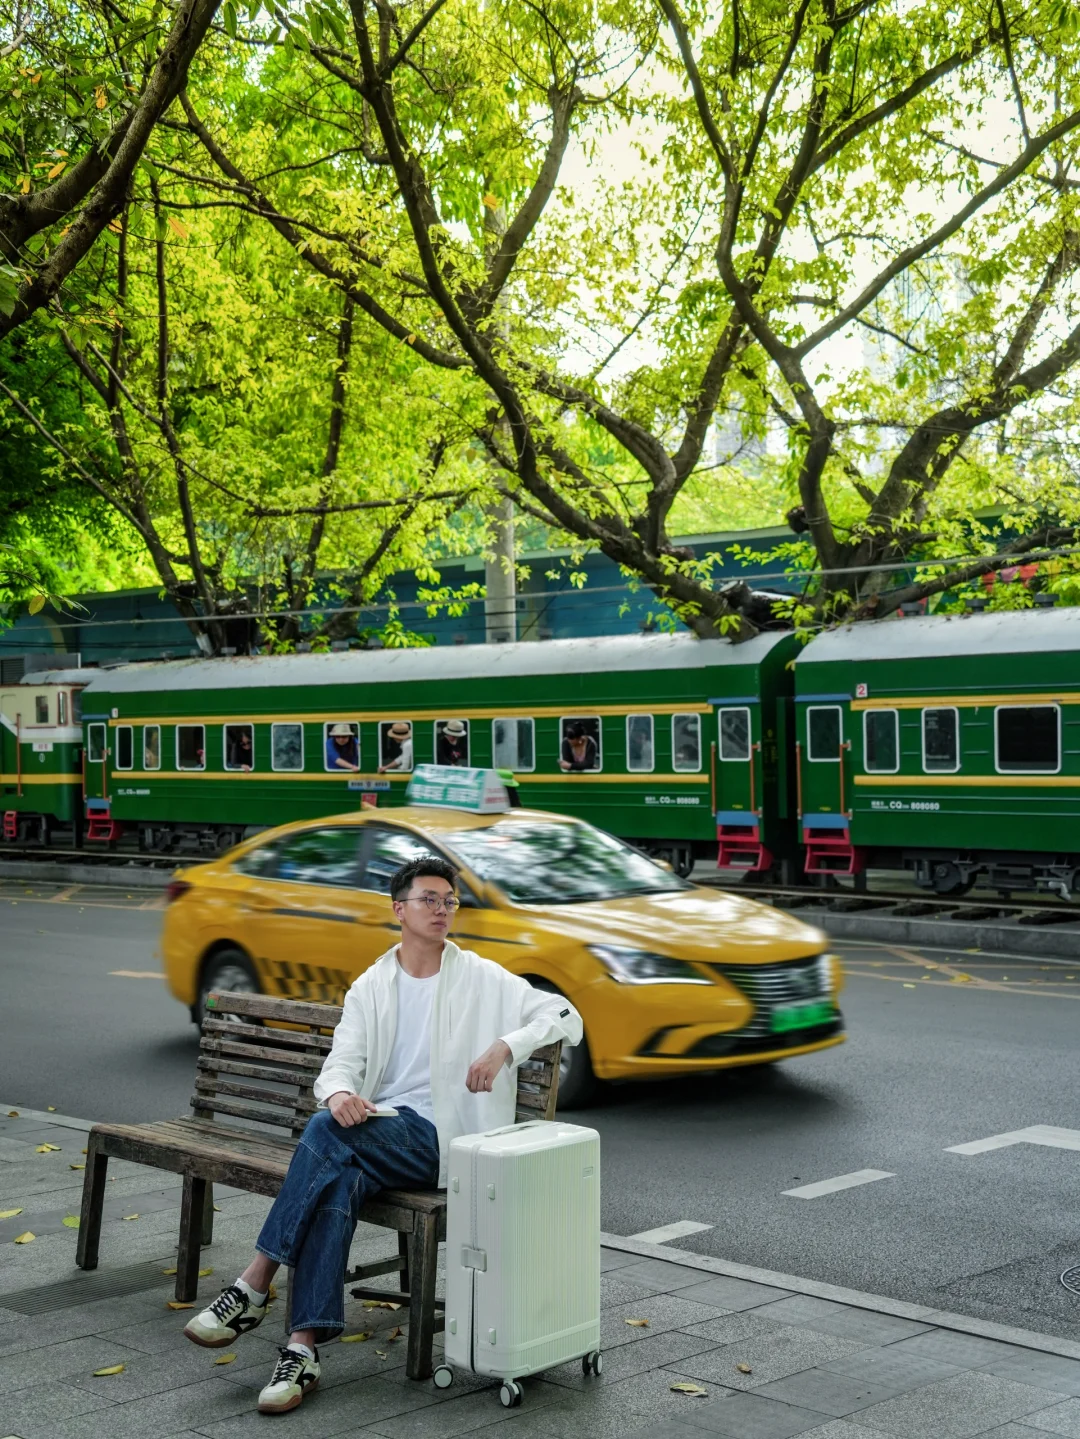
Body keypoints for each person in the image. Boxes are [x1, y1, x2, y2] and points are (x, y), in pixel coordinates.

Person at [184, 857, 582, 1415]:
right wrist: (341, 1094)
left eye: (449, 901)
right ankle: (301, 1350)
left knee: (327, 1134)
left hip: (444, 1143)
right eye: (429, 899)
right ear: (399, 909)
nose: (442, 909)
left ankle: (255, 1281)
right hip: (378, 1134)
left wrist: (504, 1047)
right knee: (336, 1173)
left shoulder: (483, 978)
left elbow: (566, 1014)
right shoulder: (372, 985)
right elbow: (341, 1062)